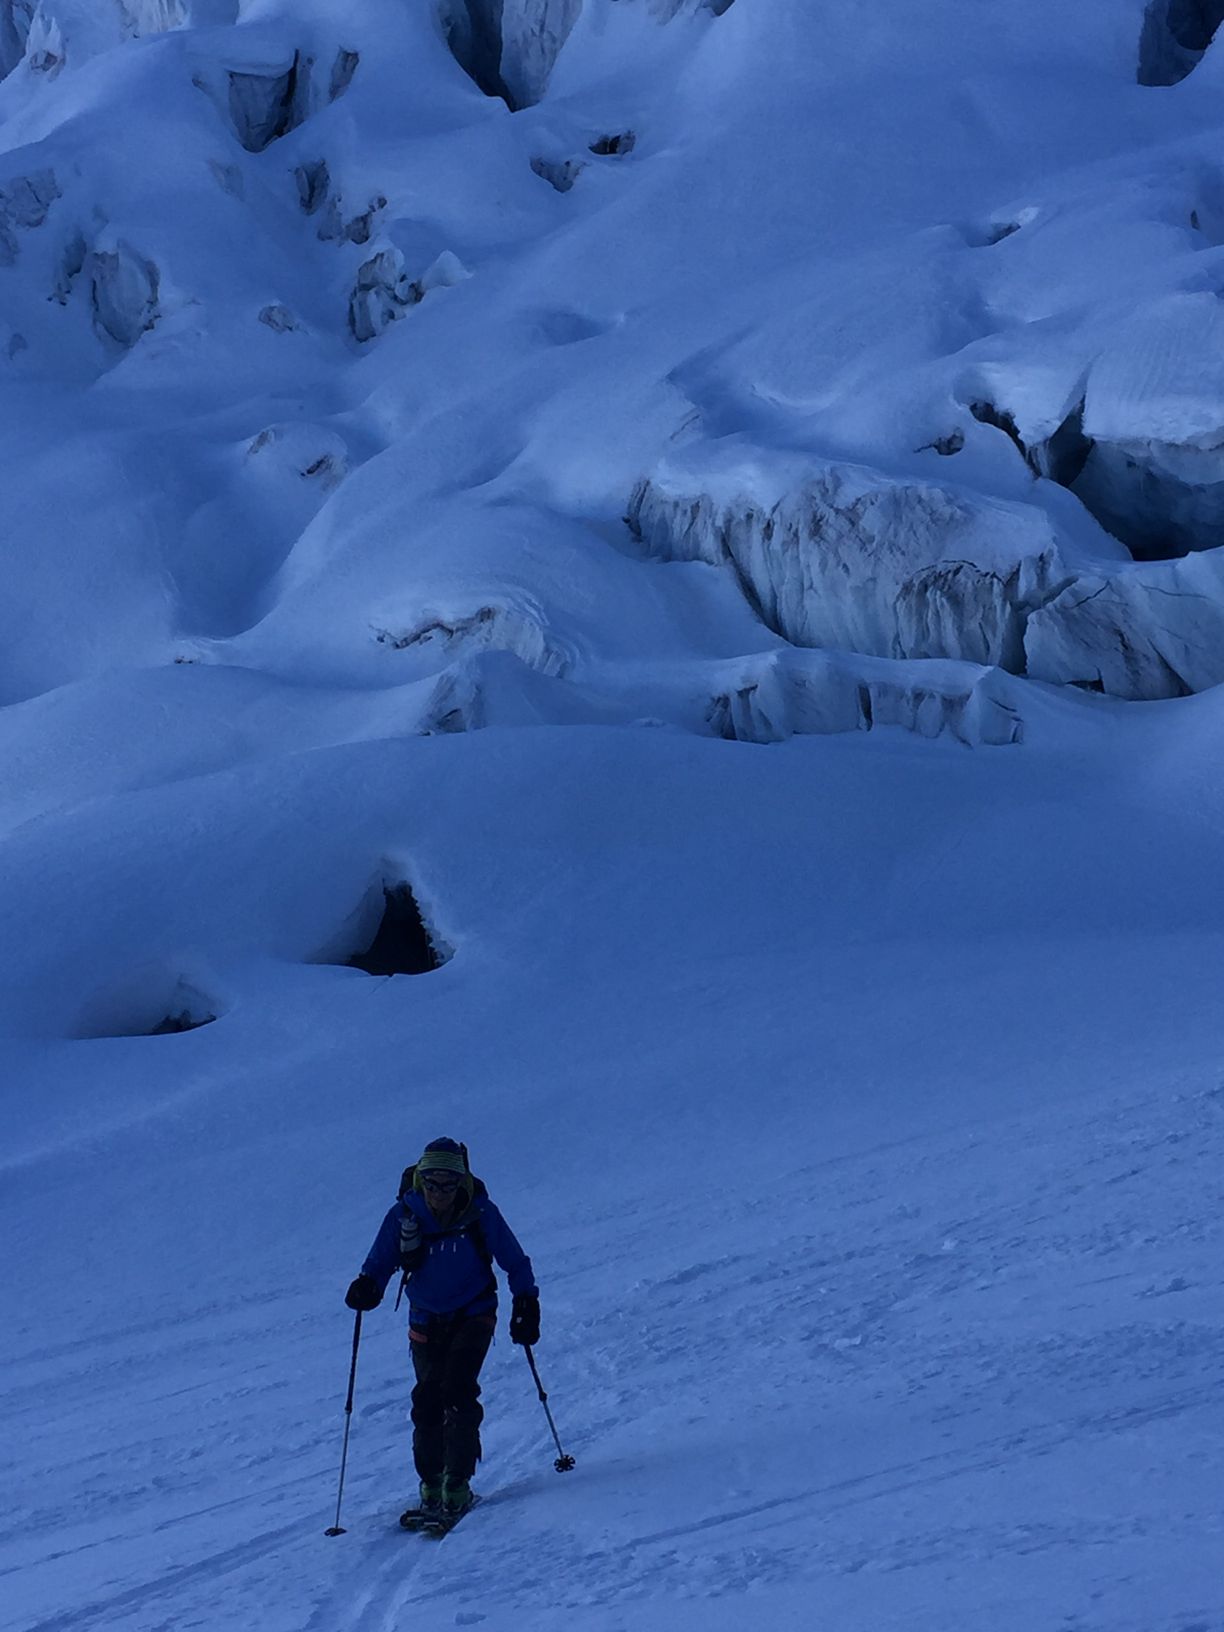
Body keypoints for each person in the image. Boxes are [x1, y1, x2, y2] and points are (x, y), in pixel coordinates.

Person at [345, 1137, 540, 1521]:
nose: (439, 1192)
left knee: (458, 1390)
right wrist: (367, 1285)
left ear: (461, 1183)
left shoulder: (481, 1213)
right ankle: (431, 1484)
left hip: (475, 1311)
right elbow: (379, 1262)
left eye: (448, 1184)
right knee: (427, 1399)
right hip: (425, 1318)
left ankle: (458, 1484)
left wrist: (526, 1302)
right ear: (420, 1181)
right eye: (431, 1183)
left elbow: (514, 1260)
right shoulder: (404, 1214)